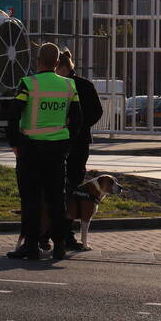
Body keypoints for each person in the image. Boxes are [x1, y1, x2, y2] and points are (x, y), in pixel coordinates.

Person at [5, 42, 82, 261]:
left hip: (30, 150)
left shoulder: (28, 84)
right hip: (57, 151)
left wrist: (16, 144)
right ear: (58, 63)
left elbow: (12, 116)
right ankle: (58, 246)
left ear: (37, 60)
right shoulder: (69, 86)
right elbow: (78, 120)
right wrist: (68, 143)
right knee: (56, 199)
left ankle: (31, 246)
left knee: (30, 200)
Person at [55, 49, 103, 250]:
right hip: (80, 143)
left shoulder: (69, 86)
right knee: (72, 187)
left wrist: (75, 125)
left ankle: (59, 233)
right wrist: (83, 126)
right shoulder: (85, 85)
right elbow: (97, 112)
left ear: (63, 67)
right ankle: (66, 235)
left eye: (57, 68)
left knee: (61, 189)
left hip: (62, 142)